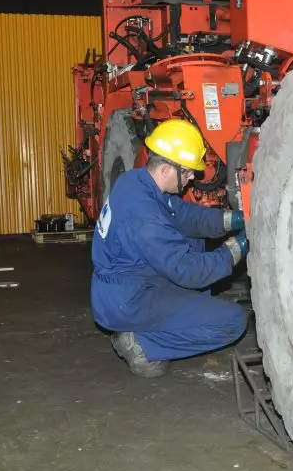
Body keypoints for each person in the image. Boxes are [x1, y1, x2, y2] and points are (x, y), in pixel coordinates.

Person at [90, 118, 249, 378]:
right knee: (233, 321)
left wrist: (235, 219)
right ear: (166, 169)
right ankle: (142, 343)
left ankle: (180, 317)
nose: (191, 179)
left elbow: (186, 216)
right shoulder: (145, 215)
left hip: (130, 282)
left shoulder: (137, 183)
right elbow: (188, 270)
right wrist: (238, 248)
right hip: (128, 300)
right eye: (186, 172)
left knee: (193, 236)